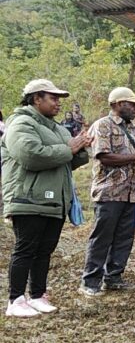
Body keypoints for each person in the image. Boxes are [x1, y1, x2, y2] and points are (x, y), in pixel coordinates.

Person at [3, 79, 91, 317]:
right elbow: (30, 155)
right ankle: (15, 299)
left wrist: (81, 148)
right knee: (26, 248)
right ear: (36, 99)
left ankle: (38, 295)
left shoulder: (58, 129)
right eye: (53, 98)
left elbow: (67, 161)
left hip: (54, 201)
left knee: (44, 250)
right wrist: (69, 149)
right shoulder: (21, 124)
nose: (58, 104)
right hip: (28, 198)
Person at [79, 87, 135, 296]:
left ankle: (114, 277)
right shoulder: (103, 126)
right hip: (109, 192)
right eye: (132, 104)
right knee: (102, 237)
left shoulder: (133, 129)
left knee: (124, 237)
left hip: (130, 192)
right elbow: (105, 157)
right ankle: (90, 281)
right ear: (118, 104)